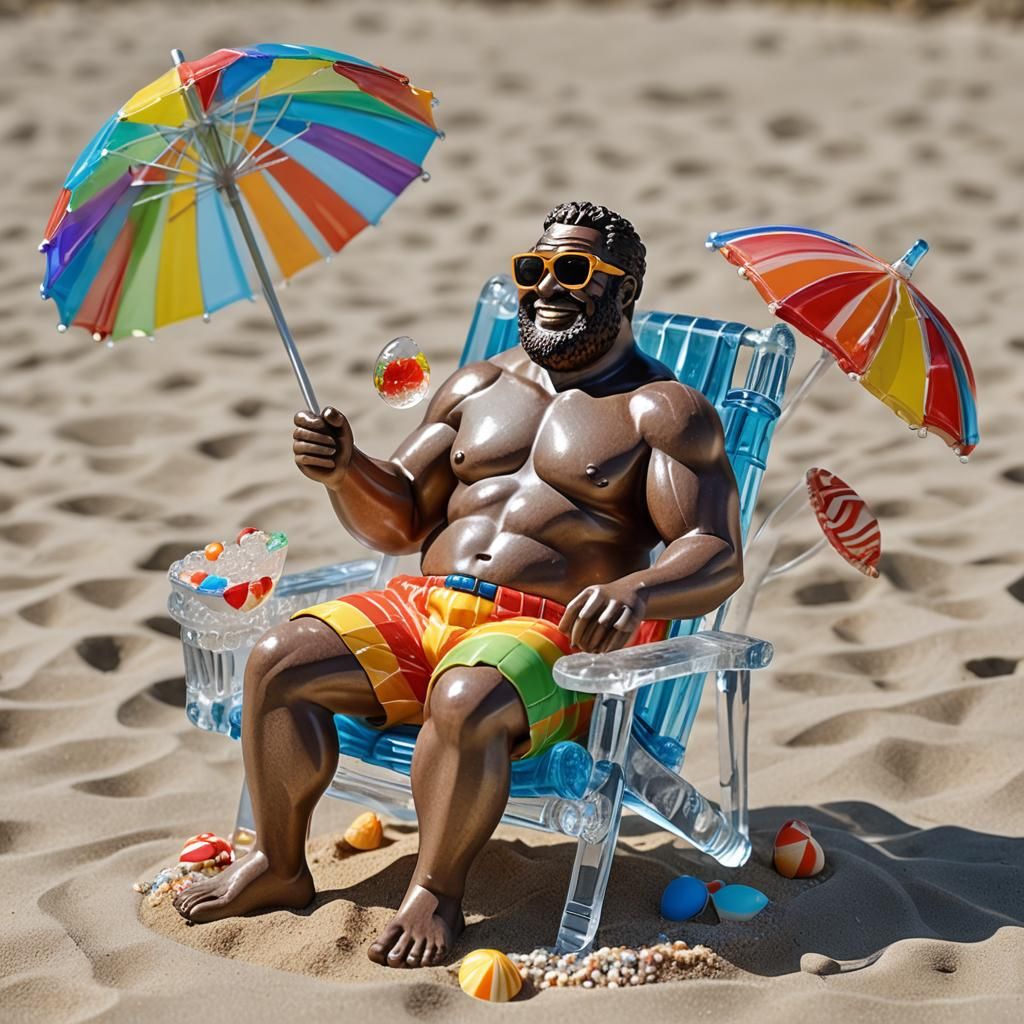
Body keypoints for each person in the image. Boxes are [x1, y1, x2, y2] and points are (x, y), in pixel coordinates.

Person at [174, 201, 744, 969]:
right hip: (423, 609)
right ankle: (278, 864)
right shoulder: (478, 386)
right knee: (279, 658)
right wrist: (347, 470)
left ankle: (436, 891)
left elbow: (714, 550)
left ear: (625, 288)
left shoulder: (662, 410)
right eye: (533, 269)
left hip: (556, 636)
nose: (548, 286)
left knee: (465, 696)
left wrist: (640, 592)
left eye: (574, 270)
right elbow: (402, 516)